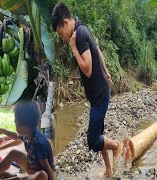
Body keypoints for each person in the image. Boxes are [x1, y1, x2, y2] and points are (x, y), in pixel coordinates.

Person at [52, 2, 122, 177]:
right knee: (99, 134)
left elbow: (88, 69)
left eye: (61, 33)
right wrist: (106, 73)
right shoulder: (82, 26)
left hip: (99, 97)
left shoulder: (79, 35)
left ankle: (116, 146)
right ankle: (108, 169)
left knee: (92, 141)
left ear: (66, 23)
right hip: (99, 94)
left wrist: (74, 48)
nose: (63, 38)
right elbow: (97, 50)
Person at [0, 102, 54, 180]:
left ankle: (16, 179)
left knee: (42, 175)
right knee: (13, 153)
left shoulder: (38, 143)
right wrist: (2, 130)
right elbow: (15, 136)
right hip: (32, 168)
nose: (15, 125)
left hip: (41, 176)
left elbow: (48, 169)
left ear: (25, 127)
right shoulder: (28, 134)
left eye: (16, 123)